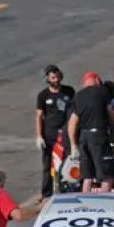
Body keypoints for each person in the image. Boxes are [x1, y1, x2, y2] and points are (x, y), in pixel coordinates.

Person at [67, 71, 114, 193]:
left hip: (83, 139)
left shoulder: (78, 96)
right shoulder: (102, 91)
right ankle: (104, 201)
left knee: (87, 177)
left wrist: (73, 146)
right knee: (108, 175)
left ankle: (86, 202)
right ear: (97, 80)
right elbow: (111, 113)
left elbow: (72, 123)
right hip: (98, 137)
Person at [36, 64, 75, 199]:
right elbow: (39, 116)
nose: (56, 80)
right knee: (47, 165)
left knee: (67, 163)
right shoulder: (43, 95)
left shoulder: (69, 91)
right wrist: (39, 136)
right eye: (53, 77)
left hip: (65, 134)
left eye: (58, 77)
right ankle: (46, 194)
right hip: (49, 135)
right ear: (47, 78)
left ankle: (66, 191)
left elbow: (74, 112)